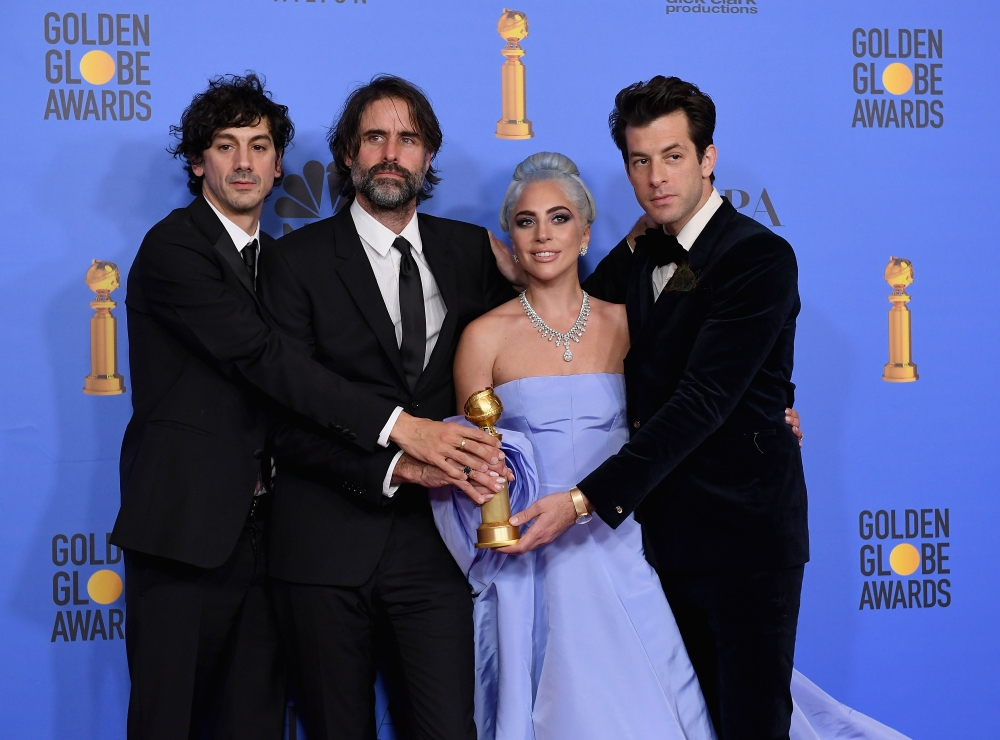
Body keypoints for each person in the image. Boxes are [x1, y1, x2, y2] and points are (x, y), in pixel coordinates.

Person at [435, 151, 906, 740]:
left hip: (630, 541)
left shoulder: (634, 322)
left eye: (558, 218)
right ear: (511, 237)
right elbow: (476, 458)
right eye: (526, 221)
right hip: (532, 558)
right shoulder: (483, 336)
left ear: (586, 233)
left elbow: (700, 402)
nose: (542, 234)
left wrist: (771, 414)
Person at [114, 73, 501, 740]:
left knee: (255, 725)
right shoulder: (176, 248)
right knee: (166, 722)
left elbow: (546, 286)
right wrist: (400, 431)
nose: (243, 162)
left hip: (266, 542)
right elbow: (267, 362)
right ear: (196, 160)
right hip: (186, 535)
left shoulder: (273, 258)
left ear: (278, 162)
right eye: (225, 145)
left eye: (259, 146)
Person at [493, 77, 808, 739]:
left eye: (672, 156)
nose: (656, 176)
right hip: (655, 541)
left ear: (708, 158)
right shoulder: (639, 258)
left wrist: (581, 501)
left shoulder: (758, 255)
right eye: (640, 160)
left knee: (749, 725)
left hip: (741, 539)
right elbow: (568, 311)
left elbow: (705, 399)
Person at [256, 75, 516, 740]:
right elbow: (280, 419)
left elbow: (559, 322)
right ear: (347, 153)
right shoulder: (294, 262)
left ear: (429, 155)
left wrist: (635, 252)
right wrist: (395, 466)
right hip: (320, 550)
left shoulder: (472, 251)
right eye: (375, 137)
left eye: (408, 139)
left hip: (438, 551)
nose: (391, 153)